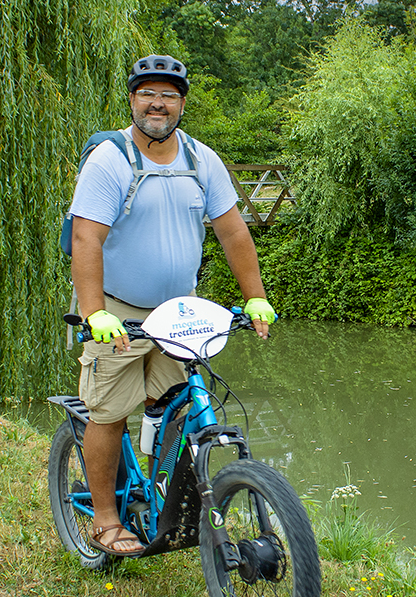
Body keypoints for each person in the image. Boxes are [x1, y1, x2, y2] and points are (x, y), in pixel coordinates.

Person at [66, 55, 276, 556]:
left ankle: (158, 483)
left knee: (180, 399)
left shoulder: (202, 160)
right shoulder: (111, 160)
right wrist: (95, 311)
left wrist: (256, 296)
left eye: (169, 95)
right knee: (109, 412)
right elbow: (86, 237)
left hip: (180, 311)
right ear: (133, 100)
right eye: (147, 94)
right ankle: (106, 519)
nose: (157, 103)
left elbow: (232, 230)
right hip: (117, 310)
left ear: (181, 104)